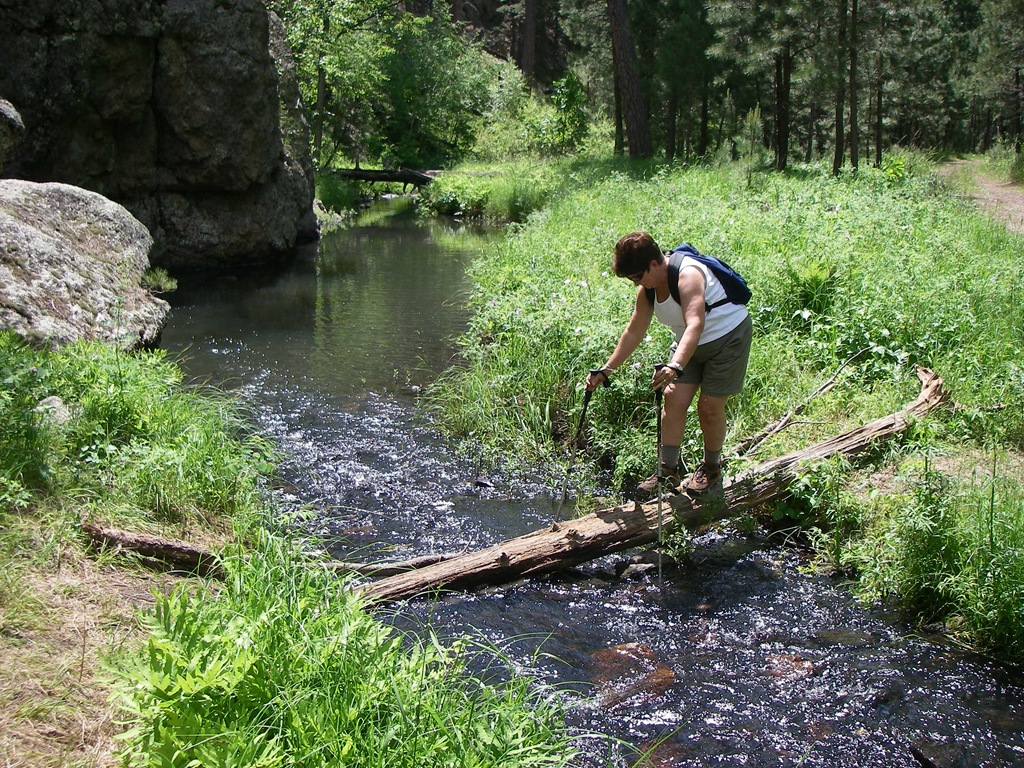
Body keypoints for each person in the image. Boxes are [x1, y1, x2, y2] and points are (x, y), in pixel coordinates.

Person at [585, 231, 752, 497]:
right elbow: (634, 332)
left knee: (708, 407)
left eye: (637, 277)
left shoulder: (688, 275)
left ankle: (711, 468)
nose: (636, 284)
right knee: (673, 398)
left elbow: (695, 323)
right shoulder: (648, 290)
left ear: (654, 264)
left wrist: (674, 366)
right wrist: (607, 370)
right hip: (689, 343)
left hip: (727, 337)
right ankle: (668, 469)